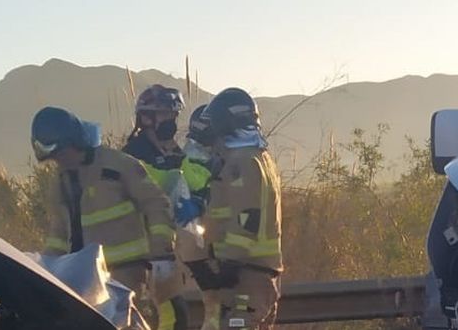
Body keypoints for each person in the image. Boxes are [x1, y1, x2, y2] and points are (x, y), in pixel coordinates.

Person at [32, 105, 176, 319]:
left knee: (126, 321)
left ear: (74, 141)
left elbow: (156, 204)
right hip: (83, 276)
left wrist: (162, 253)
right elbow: (59, 233)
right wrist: (45, 269)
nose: (58, 161)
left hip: (127, 270)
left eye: (60, 154)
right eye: (53, 158)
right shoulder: (61, 181)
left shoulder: (118, 165)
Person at [185, 89, 283, 330]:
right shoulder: (260, 157)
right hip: (255, 271)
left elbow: (247, 215)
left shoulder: (242, 161)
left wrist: (227, 266)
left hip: (245, 274)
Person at [123, 85, 212, 330]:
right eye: (165, 115)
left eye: (173, 116)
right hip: (146, 253)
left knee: (177, 315)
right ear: (146, 118)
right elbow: (153, 185)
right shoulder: (133, 155)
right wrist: (175, 177)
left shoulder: (173, 149)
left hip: (172, 251)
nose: (171, 121)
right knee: (172, 317)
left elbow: (195, 178)